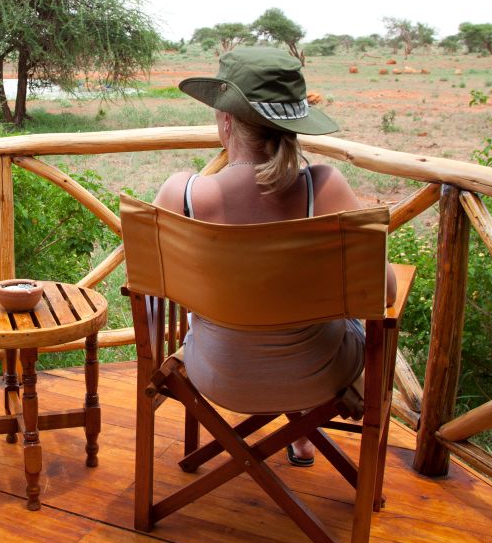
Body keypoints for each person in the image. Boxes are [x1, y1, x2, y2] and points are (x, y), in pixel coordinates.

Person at [153, 46, 396, 466]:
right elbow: (386, 291)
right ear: (295, 124)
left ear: (226, 120)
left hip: (216, 374)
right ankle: (303, 435)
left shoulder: (183, 193)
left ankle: (292, 435)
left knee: (254, 307)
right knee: (306, 310)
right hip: (319, 376)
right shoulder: (324, 187)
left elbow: (152, 287)